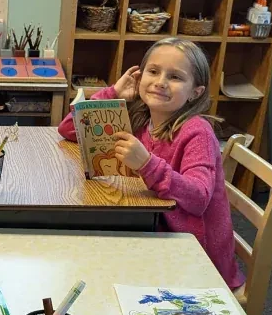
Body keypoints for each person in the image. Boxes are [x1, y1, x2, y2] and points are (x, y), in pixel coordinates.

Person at [58, 38, 244, 290]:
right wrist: (113, 92)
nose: (160, 82)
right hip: (151, 228)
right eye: (153, 72)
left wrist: (146, 164)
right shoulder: (140, 117)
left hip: (196, 259)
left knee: (91, 262)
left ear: (195, 93)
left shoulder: (197, 132)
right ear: (139, 76)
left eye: (175, 77)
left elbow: (198, 197)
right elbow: (69, 128)